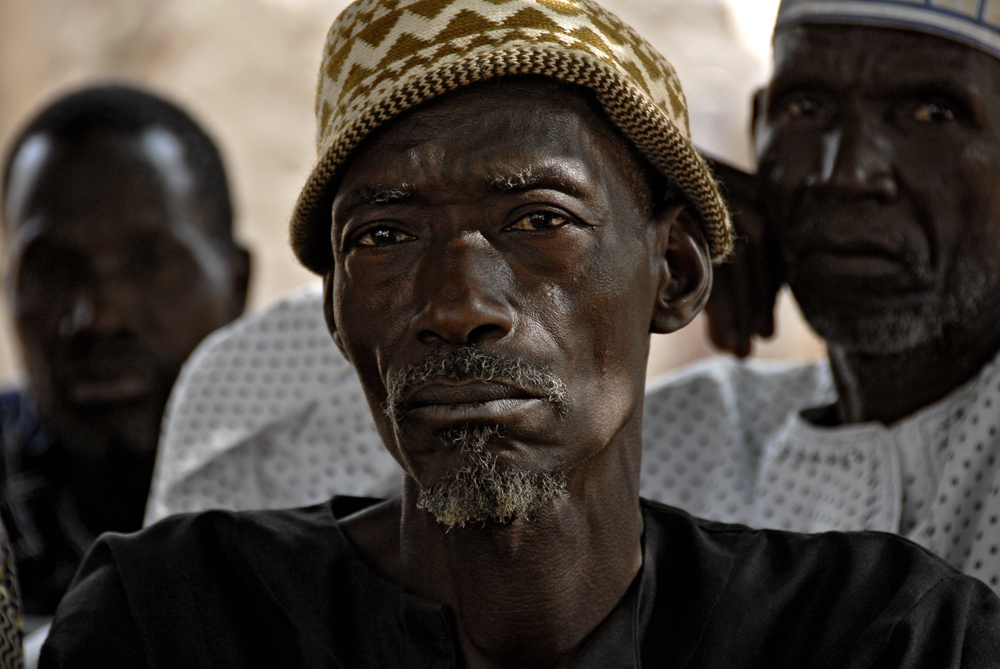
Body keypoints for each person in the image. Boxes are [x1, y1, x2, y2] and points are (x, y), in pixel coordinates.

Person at [42, 2, 1000, 666]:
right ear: (335, 309)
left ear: (676, 273)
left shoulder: (888, 637)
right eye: (384, 236)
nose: (459, 304)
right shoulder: (175, 622)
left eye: (539, 219)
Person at [0, 85, 250, 616]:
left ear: (236, 284)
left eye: (148, 262)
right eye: (53, 270)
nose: (99, 319)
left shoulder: (336, 499)